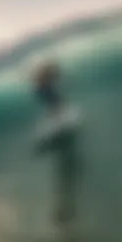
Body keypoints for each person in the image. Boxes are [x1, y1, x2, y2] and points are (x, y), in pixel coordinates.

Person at [33, 61, 80, 225]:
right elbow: (49, 93)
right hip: (47, 96)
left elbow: (50, 85)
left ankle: (62, 213)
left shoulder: (45, 83)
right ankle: (62, 213)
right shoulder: (44, 84)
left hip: (46, 93)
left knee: (66, 173)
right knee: (67, 172)